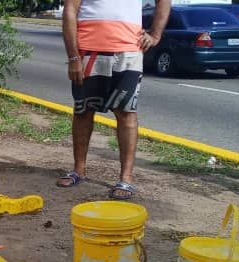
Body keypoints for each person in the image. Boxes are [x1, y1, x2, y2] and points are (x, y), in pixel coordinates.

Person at [58, 0, 170, 200]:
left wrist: (155, 34)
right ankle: (78, 170)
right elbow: (70, 11)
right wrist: (73, 57)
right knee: (83, 111)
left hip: (128, 51)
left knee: (126, 113)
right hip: (88, 50)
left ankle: (126, 179)